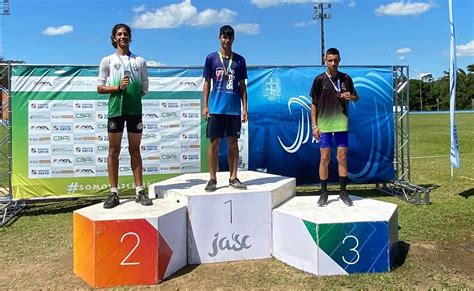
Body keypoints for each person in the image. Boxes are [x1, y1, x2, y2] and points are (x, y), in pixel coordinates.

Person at [97, 23, 152, 208]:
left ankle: (139, 191)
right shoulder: (107, 60)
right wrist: (118, 88)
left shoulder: (140, 61)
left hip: (135, 110)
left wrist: (132, 95)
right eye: (119, 34)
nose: (122, 37)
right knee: (114, 150)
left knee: (135, 150)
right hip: (115, 110)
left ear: (130, 37)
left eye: (125, 34)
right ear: (114, 38)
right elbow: (100, 87)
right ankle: (114, 193)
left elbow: (144, 88)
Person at [310, 47, 359, 207]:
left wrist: (350, 97)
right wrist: (314, 126)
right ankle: (324, 193)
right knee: (324, 158)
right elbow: (314, 104)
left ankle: (343, 193)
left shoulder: (346, 78)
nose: (333, 63)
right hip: (324, 125)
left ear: (339, 60)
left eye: (335, 60)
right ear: (325, 60)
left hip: (341, 124)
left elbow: (356, 98)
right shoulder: (319, 80)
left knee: (342, 158)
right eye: (330, 60)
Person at [202, 25, 248, 192]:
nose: (227, 40)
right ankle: (212, 179)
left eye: (230, 37)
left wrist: (245, 108)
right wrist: (205, 105)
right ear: (219, 38)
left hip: (234, 109)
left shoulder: (240, 60)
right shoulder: (211, 58)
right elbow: (207, 83)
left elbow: (243, 86)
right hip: (216, 108)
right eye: (224, 37)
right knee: (214, 144)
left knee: (233, 143)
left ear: (233, 39)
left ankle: (233, 177)